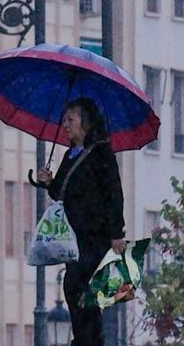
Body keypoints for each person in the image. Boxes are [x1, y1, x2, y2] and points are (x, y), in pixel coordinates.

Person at [32, 98, 125, 346]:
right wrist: (48, 181)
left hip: (95, 236)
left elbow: (114, 193)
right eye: (65, 120)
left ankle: (88, 341)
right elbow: (59, 191)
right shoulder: (71, 155)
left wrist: (117, 232)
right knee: (74, 287)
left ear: (86, 122)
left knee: (84, 291)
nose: (65, 125)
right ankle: (84, 339)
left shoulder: (101, 153)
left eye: (70, 120)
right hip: (75, 237)